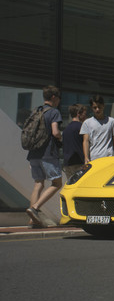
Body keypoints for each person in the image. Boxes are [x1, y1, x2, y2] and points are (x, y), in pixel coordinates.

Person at [25, 85, 63, 228]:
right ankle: (35, 208)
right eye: (58, 98)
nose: (59, 101)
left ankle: (32, 220)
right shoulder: (54, 112)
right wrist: (60, 138)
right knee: (57, 183)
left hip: (33, 154)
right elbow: (55, 132)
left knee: (38, 183)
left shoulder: (36, 111)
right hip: (48, 154)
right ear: (53, 97)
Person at [80, 95, 114, 162]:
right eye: (95, 107)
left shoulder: (112, 121)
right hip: (94, 158)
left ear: (103, 106)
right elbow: (86, 141)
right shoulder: (87, 123)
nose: (97, 109)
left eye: (99, 107)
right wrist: (86, 157)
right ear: (91, 108)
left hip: (109, 158)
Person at [62, 103, 87, 179]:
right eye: (84, 114)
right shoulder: (81, 127)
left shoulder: (66, 129)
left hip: (67, 164)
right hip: (79, 163)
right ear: (78, 114)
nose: (86, 116)